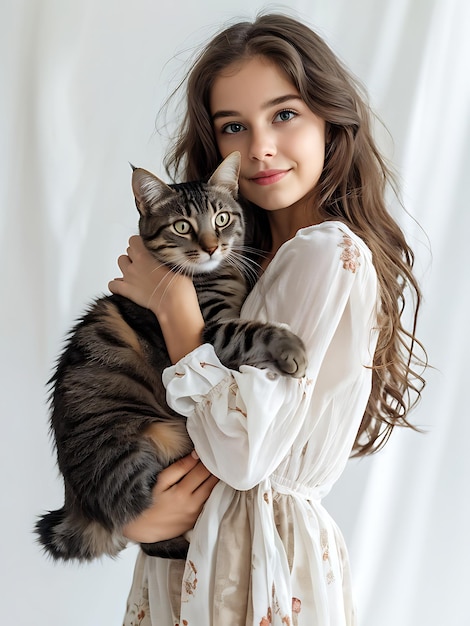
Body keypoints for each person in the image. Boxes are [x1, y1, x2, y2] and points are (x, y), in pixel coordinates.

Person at [108, 13, 426, 626]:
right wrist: (129, 513)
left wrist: (175, 310)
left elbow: (242, 456)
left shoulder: (327, 251)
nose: (260, 148)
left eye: (284, 114)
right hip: (195, 553)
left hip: (258, 566)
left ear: (330, 122)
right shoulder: (250, 262)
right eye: (235, 126)